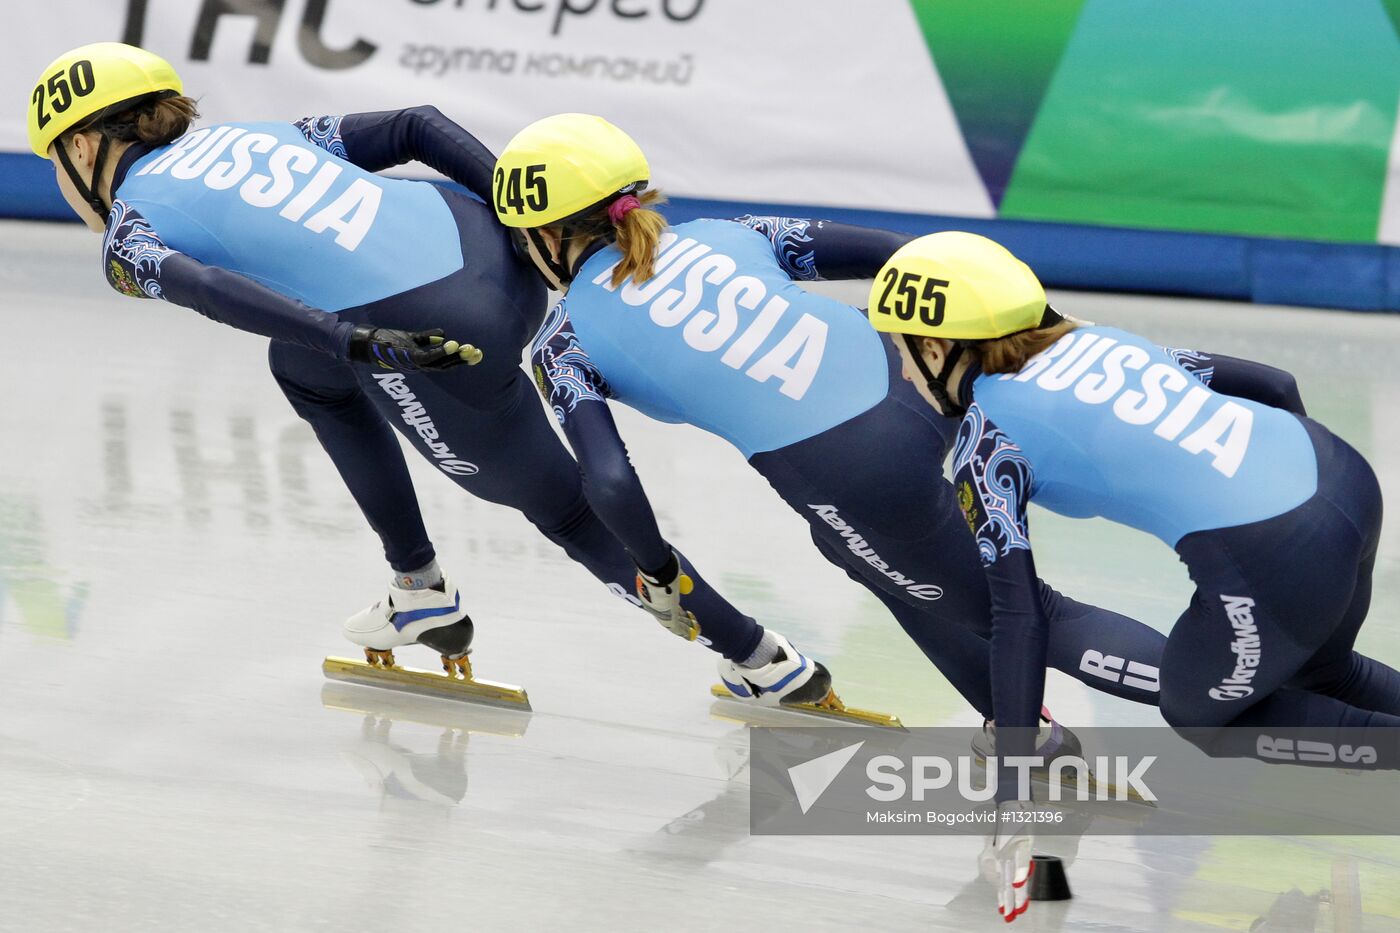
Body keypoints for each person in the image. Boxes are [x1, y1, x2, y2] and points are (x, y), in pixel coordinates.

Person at [28, 42, 806, 700]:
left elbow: (210, 291)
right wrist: (526, 221)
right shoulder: (259, 134)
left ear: (84, 146)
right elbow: (416, 126)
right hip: (488, 245)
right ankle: (419, 587)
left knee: (569, 514)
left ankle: (763, 660)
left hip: (438, 336)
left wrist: (352, 339)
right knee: (300, 367)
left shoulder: (128, 232)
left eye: (56, 163)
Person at [493, 112, 1180, 724]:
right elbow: (896, 253)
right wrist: (1036, 323)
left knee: (1028, 613)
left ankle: (1253, 702)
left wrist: (660, 574)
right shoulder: (730, 233)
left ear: (549, 234)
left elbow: (609, 480)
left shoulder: (563, 342)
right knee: (855, 552)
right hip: (917, 369)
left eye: (525, 239)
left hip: (853, 465)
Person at [866, 230, 1400, 921]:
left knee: (1200, 714)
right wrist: (1293, 508)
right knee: (1324, 674)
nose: (903, 375)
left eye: (899, 350)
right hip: (1341, 475)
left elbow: (1020, 618)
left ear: (936, 348)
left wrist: (1012, 796)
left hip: (1277, 551)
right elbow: (1275, 385)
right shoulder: (1098, 342)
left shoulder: (985, 442)